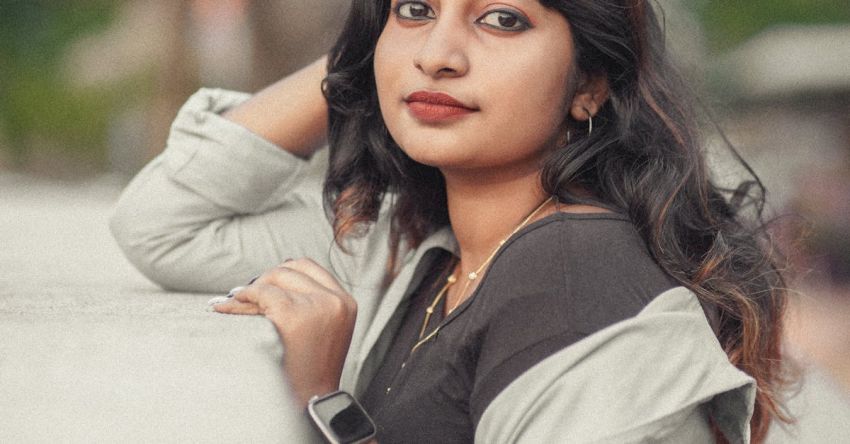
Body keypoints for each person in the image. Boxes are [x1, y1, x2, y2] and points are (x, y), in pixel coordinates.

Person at [111, 0, 791, 442]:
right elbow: (164, 224)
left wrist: (322, 405)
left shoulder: (570, 280)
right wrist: (364, 62)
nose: (438, 55)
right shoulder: (415, 246)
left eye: (501, 19)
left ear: (589, 83)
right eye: (413, 10)